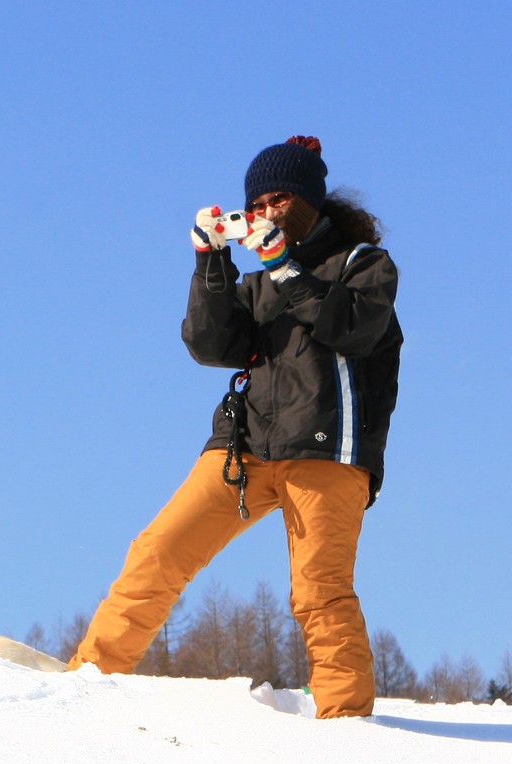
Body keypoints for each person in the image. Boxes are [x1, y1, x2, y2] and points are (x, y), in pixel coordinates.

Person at [69, 136, 402, 719]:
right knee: (157, 553)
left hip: (328, 450)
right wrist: (211, 261)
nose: (267, 213)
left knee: (318, 591)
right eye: (257, 206)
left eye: (278, 200)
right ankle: (84, 685)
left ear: (306, 200)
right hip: (242, 449)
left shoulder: (363, 265)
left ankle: (347, 723)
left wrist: (283, 265)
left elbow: (350, 329)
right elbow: (209, 343)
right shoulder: (259, 284)